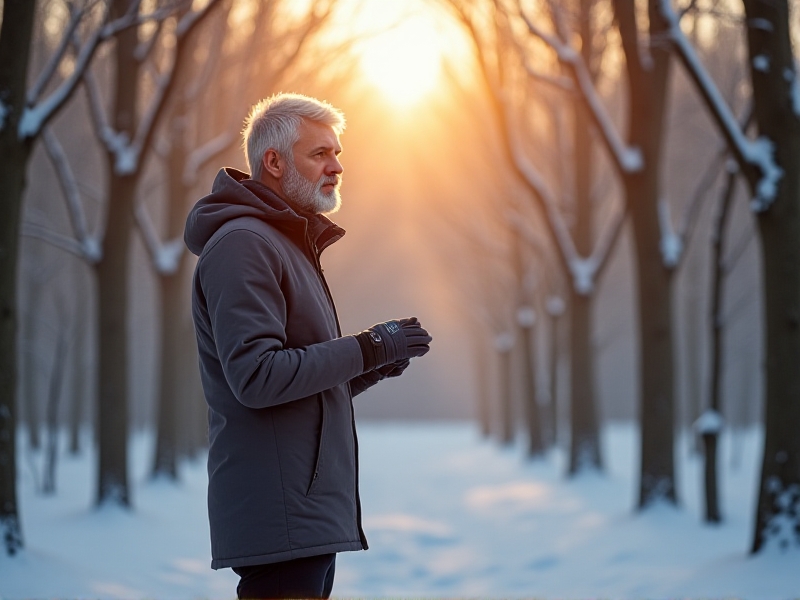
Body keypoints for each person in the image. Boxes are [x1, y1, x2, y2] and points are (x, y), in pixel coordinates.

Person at [184, 92, 432, 599]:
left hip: (303, 516)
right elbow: (258, 377)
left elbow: (297, 384)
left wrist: (376, 362)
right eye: (320, 153)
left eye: (337, 153)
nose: (337, 167)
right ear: (273, 161)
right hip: (281, 519)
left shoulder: (284, 243)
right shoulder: (244, 244)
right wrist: (367, 348)